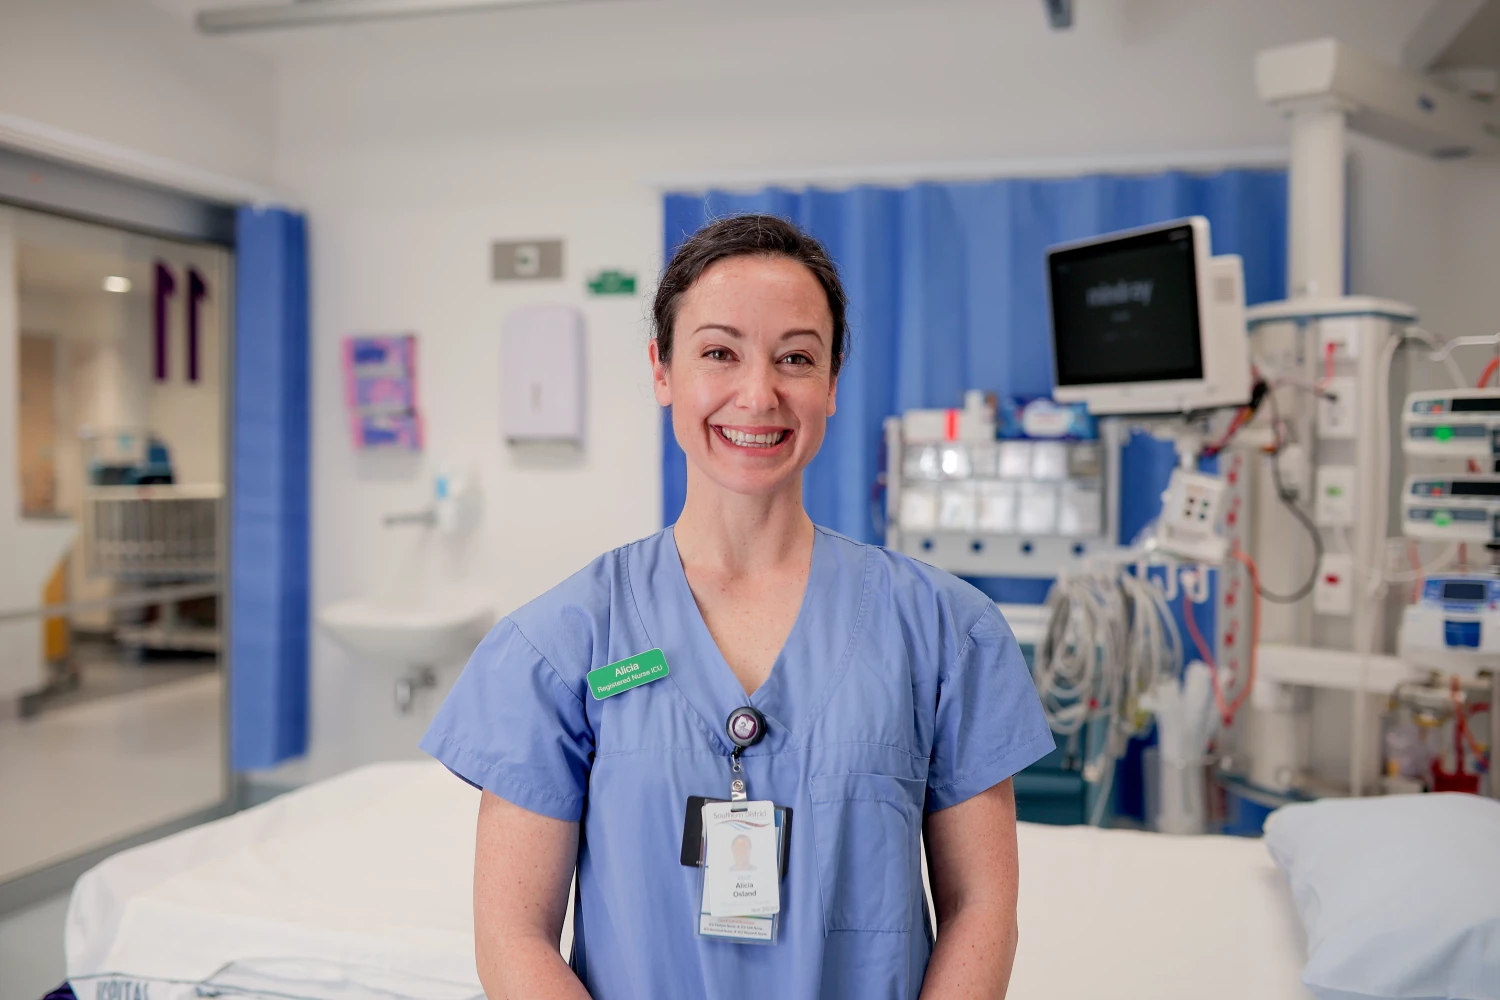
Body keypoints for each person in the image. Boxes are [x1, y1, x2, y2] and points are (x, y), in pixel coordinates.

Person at [420, 214, 1054, 1000]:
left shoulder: (944, 632)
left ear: (831, 380)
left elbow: (981, 907)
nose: (759, 395)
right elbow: (513, 937)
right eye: (719, 353)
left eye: (796, 358)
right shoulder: (562, 643)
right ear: (662, 370)